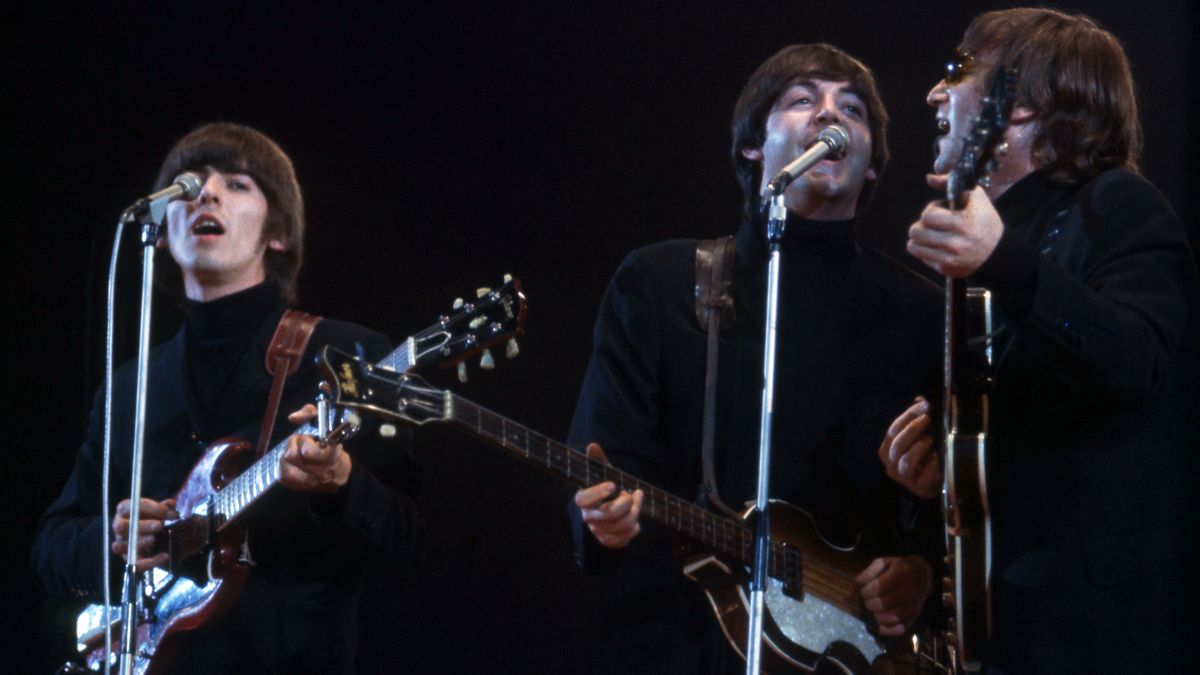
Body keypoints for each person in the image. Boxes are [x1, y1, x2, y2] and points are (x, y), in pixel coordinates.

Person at [568, 44, 944, 673]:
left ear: (872, 163)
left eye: (851, 109)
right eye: (803, 99)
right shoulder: (661, 283)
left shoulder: (918, 314)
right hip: (676, 639)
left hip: (850, 657)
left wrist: (921, 573)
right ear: (752, 146)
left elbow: (948, 500)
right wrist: (601, 523)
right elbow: (607, 463)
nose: (830, 116)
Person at [31, 122, 424, 674]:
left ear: (278, 233)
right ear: (163, 233)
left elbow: (406, 536)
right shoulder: (130, 385)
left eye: (237, 184)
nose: (205, 193)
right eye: (189, 183)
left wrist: (341, 485)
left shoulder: (343, 353)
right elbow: (51, 544)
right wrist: (117, 540)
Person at [882, 8, 1200, 673]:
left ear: (1023, 105)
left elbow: (1135, 359)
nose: (933, 92)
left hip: (1101, 637)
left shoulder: (1116, 206)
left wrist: (1005, 262)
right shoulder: (981, 254)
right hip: (1001, 633)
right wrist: (937, 478)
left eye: (957, 71)